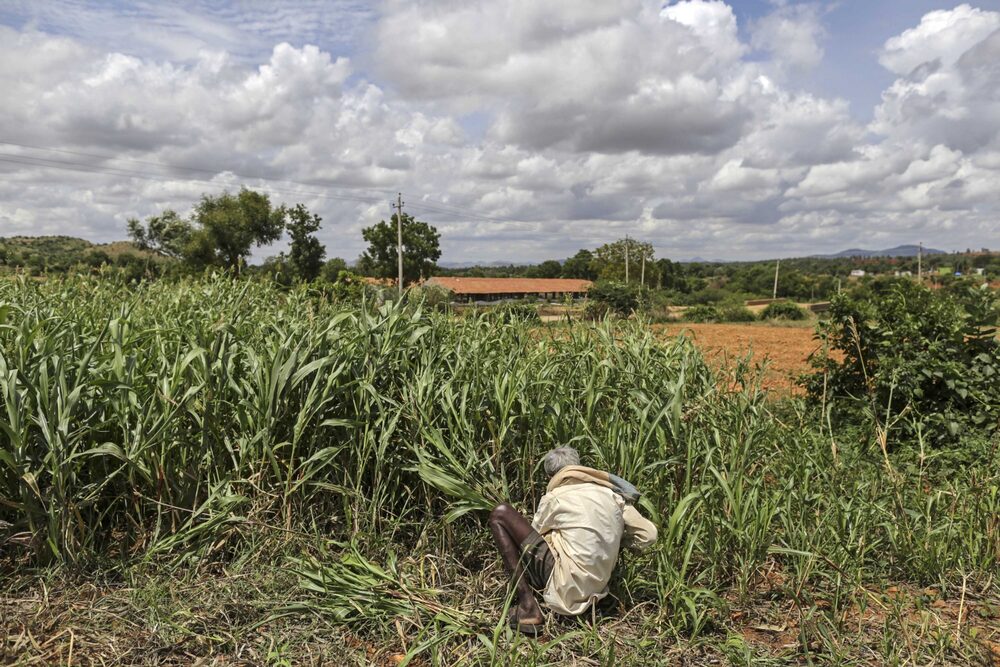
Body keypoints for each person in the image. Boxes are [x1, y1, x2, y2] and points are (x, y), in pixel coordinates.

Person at [488, 446, 658, 633]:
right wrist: (613, 539)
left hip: (566, 588)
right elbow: (648, 535)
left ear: (551, 476)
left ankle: (528, 606)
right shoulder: (612, 495)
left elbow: (531, 540)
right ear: (578, 466)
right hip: (599, 587)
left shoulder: (555, 497)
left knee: (500, 513)